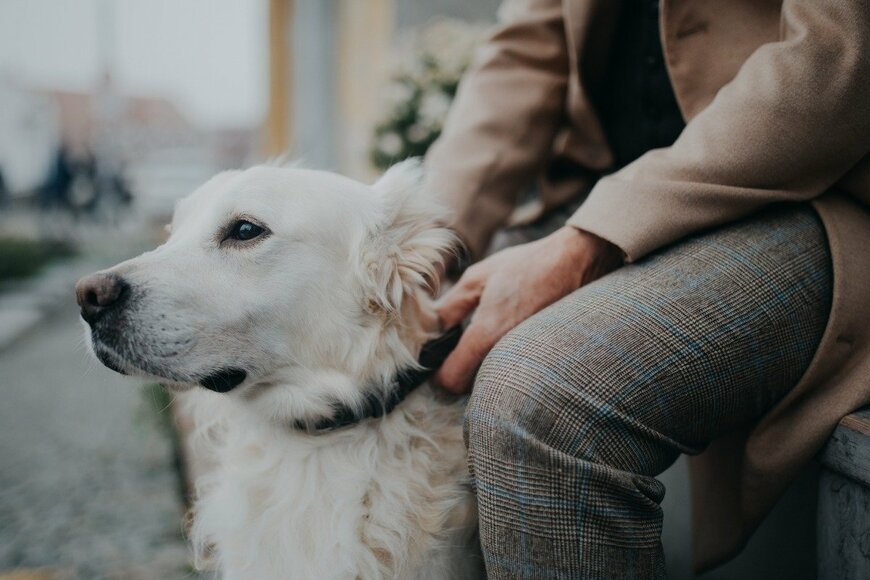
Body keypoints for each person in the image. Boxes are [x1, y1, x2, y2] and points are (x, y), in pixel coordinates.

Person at [423, 0, 870, 577]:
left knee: (540, 395)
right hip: (600, 186)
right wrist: (427, 245)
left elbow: (838, 63)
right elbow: (530, 48)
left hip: (809, 196)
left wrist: (586, 244)